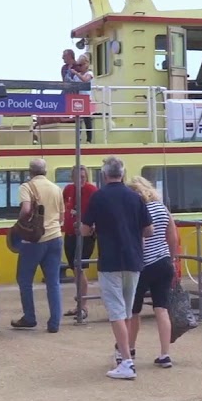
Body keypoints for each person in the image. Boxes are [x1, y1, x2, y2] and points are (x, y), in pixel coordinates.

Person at [81, 156, 153, 380]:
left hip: (110, 260)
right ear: (123, 173)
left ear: (104, 175)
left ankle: (126, 362)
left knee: (116, 312)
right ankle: (124, 352)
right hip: (134, 259)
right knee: (128, 310)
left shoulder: (98, 197)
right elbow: (149, 230)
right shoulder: (135, 197)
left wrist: (95, 229)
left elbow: (84, 230)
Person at [126, 176, 180, 368]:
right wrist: (172, 261)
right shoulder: (162, 208)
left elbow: (138, 239)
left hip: (142, 265)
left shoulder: (137, 209)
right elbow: (172, 237)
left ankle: (129, 349)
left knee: (134, 311)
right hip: (164, 262)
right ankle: (165, 354)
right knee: (161, 309)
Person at [9, 158, 65, 332]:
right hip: (55, 237)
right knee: (53, 281)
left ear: (30, 172)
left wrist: (19, 225)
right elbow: (62, 217)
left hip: (34, 240)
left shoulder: (27, 187)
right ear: (45, 171)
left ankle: (30, 317)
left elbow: (26, 210)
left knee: (24, 279)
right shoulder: (56, 188)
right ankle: (54, 322)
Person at [62, 165, 97, 320]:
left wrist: (93, 225)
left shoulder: (91, 190)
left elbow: (98, 210)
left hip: (85, 235)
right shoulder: (68, 190)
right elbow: (65, 207)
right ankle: (79, 304)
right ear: (72, 178)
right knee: (75, 270)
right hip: (70, 234)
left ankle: (83, 306)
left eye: (83, 177)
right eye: (77, 177)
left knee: (79, 267)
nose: (80, 180)